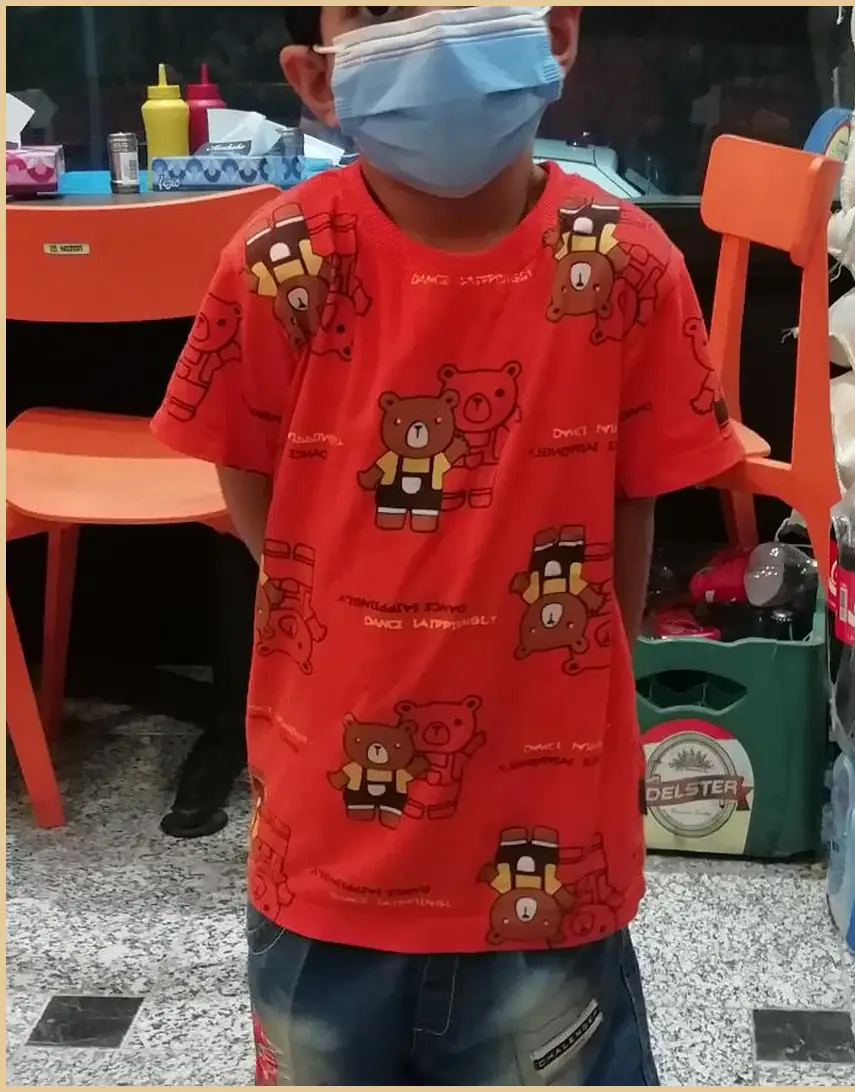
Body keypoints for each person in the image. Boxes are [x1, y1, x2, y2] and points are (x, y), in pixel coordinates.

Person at [152, 5, 744, 1085]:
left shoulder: (628, 265)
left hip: (547, 864)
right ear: (316, 78)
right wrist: (337, 603)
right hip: (325, 857)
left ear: (555, 33)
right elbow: (249, 470)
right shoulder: (280, 263)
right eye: (380, 11)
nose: (429, 26)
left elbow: (630, 516)